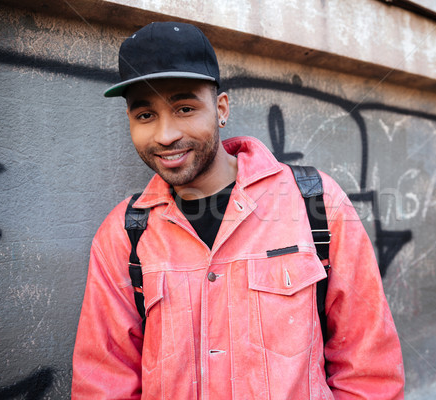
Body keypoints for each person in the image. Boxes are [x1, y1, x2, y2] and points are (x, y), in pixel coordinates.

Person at [72, 21, 405, 399]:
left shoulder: (316, 204)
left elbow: (369, 369)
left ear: (221, 108)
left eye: (184, 108)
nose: (165, 135)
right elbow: (103, 382)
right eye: (145, 115)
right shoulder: (125, 233)